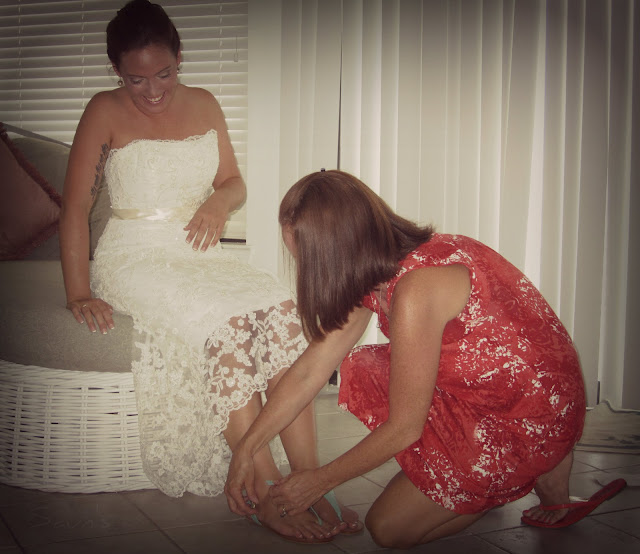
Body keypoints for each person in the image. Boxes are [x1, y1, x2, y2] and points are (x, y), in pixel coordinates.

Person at [59, 0, 361, 543]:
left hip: (199, 253)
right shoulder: (102, 110)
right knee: (228, 324)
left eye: (164, 73)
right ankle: (266, 492)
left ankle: (308, 480)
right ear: (116, 72)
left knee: (284, 311)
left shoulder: (205, 103)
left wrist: (219, 204)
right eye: (135, 79)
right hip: (135, 255)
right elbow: (76, 207)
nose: (152, 91)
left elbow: (233, 182)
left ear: (180, 57)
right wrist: (78, 291)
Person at [225, 170, 627, 548]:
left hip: (529, 414)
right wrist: (247, 448)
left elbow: (405, 427)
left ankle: (525, 469)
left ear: (338, 251)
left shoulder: (418, 288)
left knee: (389, 529)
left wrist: (320, 480)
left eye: (309, 260)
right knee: (366, 369)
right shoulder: (377, 271)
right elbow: (310, 370)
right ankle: (511, 474)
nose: (306, 270)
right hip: (489, 393)